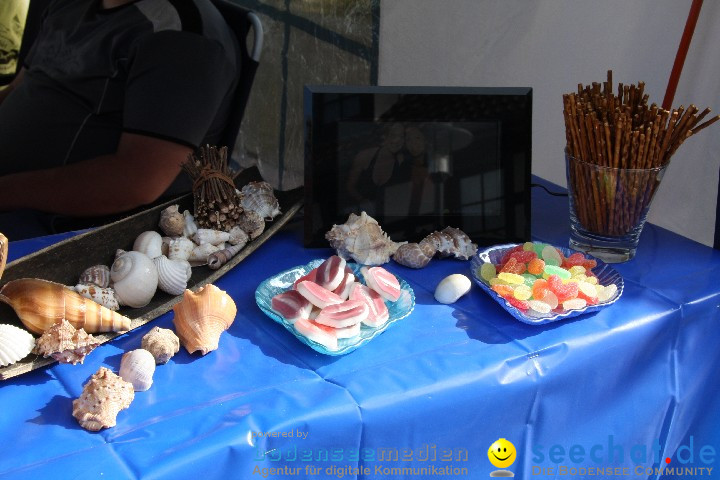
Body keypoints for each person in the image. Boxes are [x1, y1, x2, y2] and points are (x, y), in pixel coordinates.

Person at [0, 0, 238, 239]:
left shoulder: (180, 36)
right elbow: (22, 87)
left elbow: (136, 182)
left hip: (60, 224)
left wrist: (6, 191)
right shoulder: (69, 5)